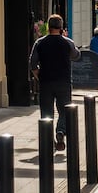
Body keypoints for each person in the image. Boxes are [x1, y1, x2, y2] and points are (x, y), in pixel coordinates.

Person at [29, 14, 81, 152]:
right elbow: (76, 55)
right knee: (64, 111)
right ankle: (61, 131)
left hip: (46, 82)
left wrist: (38, 76)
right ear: (61, 27)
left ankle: (47, 140)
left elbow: (32, 63)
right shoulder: (67, 42)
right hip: (63, 81)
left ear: (48, 27)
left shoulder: (40, 42)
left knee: (46, 112)